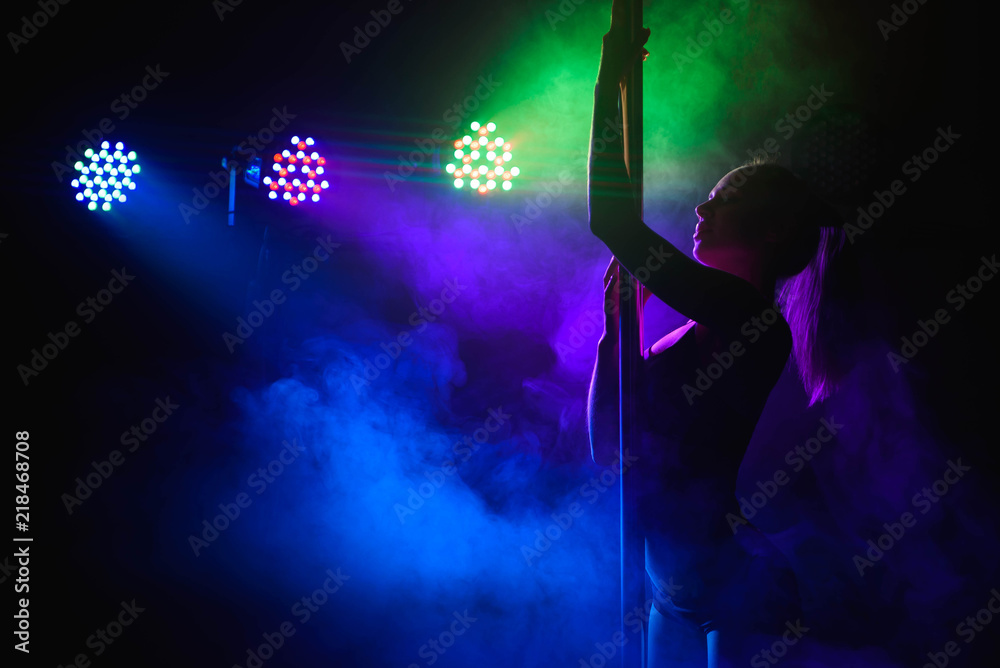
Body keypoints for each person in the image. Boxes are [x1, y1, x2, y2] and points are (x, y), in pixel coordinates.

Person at [586, 3, 846, 666]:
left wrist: (611, 74)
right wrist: (616, 334)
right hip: (671, 584)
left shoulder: (752, 320)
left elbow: (612, 216)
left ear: (769, 232)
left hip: (734, 585)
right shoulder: (685, 336)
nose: (701, 208)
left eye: (724, 199)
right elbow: (609, 452)